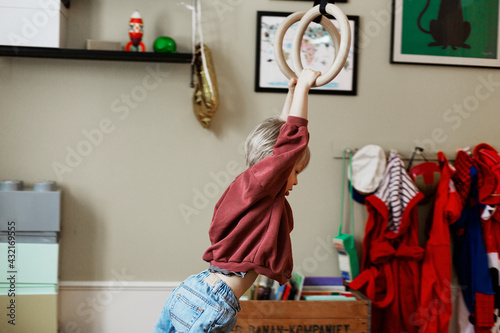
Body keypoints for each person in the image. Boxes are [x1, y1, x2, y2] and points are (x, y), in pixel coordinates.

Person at [153, 69, 321, 333]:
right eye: (296, 171)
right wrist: (304, 90)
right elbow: (289, 144)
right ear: (277, 165)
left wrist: (291, 91)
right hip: (212, 303)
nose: (297, 181)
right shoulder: (264, 186)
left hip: (191, 290)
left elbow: (280, 138)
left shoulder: (250, 191)